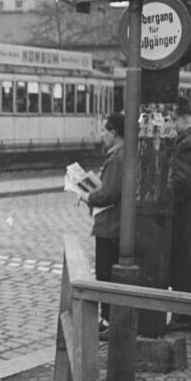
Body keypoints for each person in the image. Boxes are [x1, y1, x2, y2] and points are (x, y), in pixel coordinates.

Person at [79, 112, 124, 331]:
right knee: (105, 273)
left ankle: (107, 320)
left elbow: (109, 194)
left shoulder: (117, 157)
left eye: (105, 130)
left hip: (110, 227)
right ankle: (107, 318)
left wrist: (88, 195)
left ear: (114, 133)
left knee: (105, 274)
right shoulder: (118, 154)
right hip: (111, 225)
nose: (102, 134)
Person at [167, 99, 191, 331]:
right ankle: (190, 315)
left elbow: (183, 183)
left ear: (182, 118)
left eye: (173, 120)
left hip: (187, 218)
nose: (173, 125)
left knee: (185, 265)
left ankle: (186, 317)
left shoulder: (189, 143)